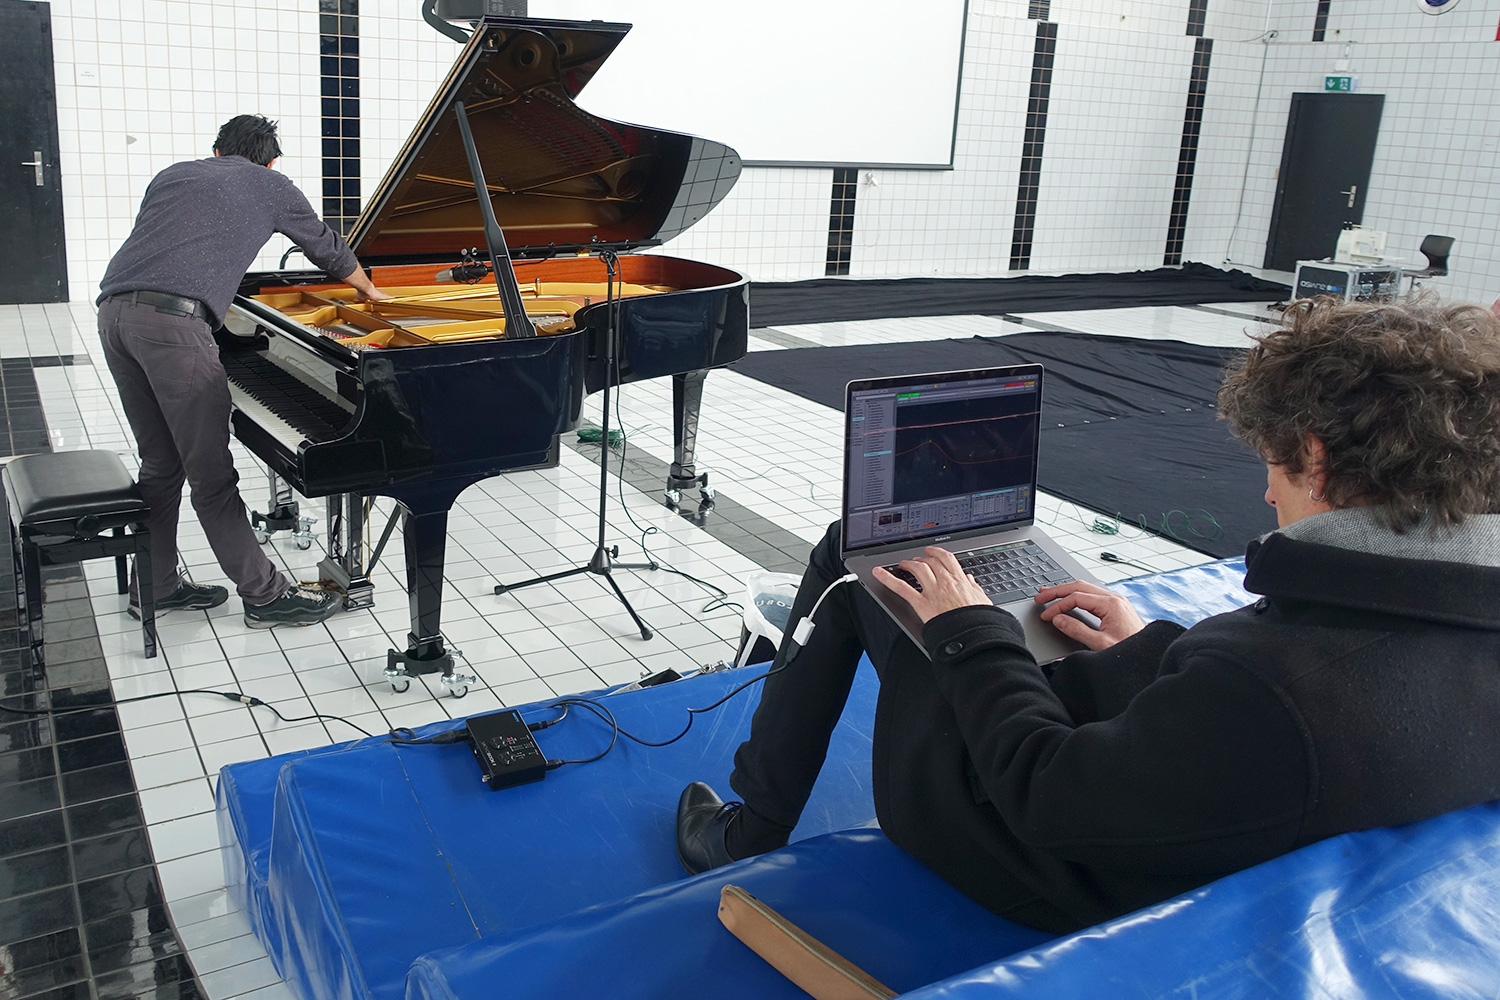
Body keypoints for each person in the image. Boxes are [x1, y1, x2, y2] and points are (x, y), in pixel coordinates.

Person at [676, 296, 1500, 934]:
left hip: (1045, 865)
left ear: (1315, 457)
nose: (1266, 489)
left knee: (862, 567)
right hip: (1221, 830)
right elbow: (1229, 728)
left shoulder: (1273, 685)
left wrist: (969, 631)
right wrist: (1143, 650)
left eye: (1274, 466)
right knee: (1026, 626)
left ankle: (752, 827)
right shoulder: (1444, 628)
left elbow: (1046, 792)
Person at [96, 114, 390, 629]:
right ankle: (265, 596)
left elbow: (177, 242)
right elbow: (327, 249)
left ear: (216, 151)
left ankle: (159, 584)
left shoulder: (171, 175)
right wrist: (370, 293)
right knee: (211, 474)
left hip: (115, 315)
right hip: (173, 326)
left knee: (161, 464)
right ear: (272, 160)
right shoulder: (273, 185)